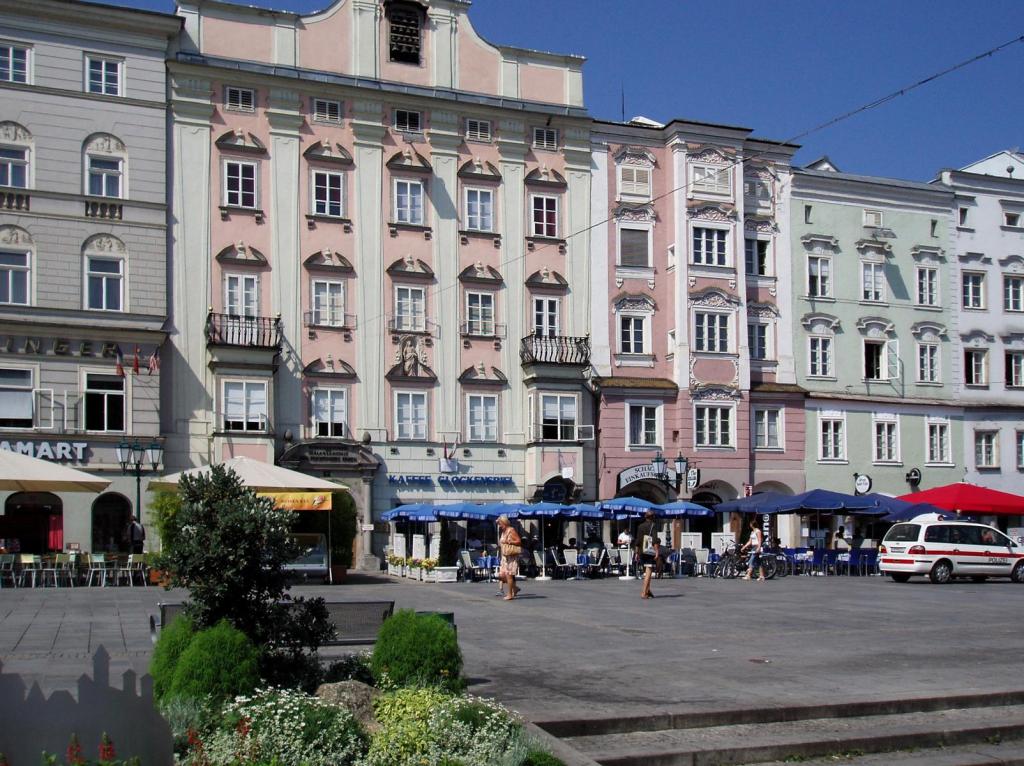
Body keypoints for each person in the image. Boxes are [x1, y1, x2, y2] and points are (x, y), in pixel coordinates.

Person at [497, 515, 522, 601]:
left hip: (511, 556)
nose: (499, 526)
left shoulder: (511, 530)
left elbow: (518, 541)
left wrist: (509, 541)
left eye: (500, 524)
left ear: (504, 523)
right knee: (502, 576)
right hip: (504, 556)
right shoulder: (503, 531)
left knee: (509, 575)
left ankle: (510, 594)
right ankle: (515, 588)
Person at [635, 511, 659, 599]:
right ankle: (644, 592)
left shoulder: (640, 526)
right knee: (648, 572)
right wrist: (657, 552)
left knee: (647, 571)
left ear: (645, 517)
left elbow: (637, 540)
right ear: (653, 517)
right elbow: (655, 540)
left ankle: (648, 591)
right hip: (649, 552)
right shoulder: (653, 525)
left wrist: (637, 552)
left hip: (641, 551)